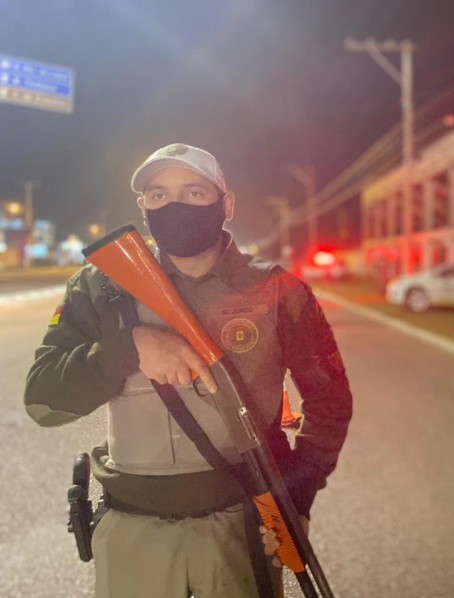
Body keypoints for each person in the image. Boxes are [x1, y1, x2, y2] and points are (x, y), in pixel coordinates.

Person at [24, 143, 353, 598]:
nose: (174, 206)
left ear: (226, 204)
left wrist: (297, 498)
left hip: (241, 522)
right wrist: (129, 347)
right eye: (158, 195)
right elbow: (43, 401)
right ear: (143, 207)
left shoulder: (277, 290)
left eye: (194, 193)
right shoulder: (100, 287)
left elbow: (329, 400)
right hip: (133, 530)